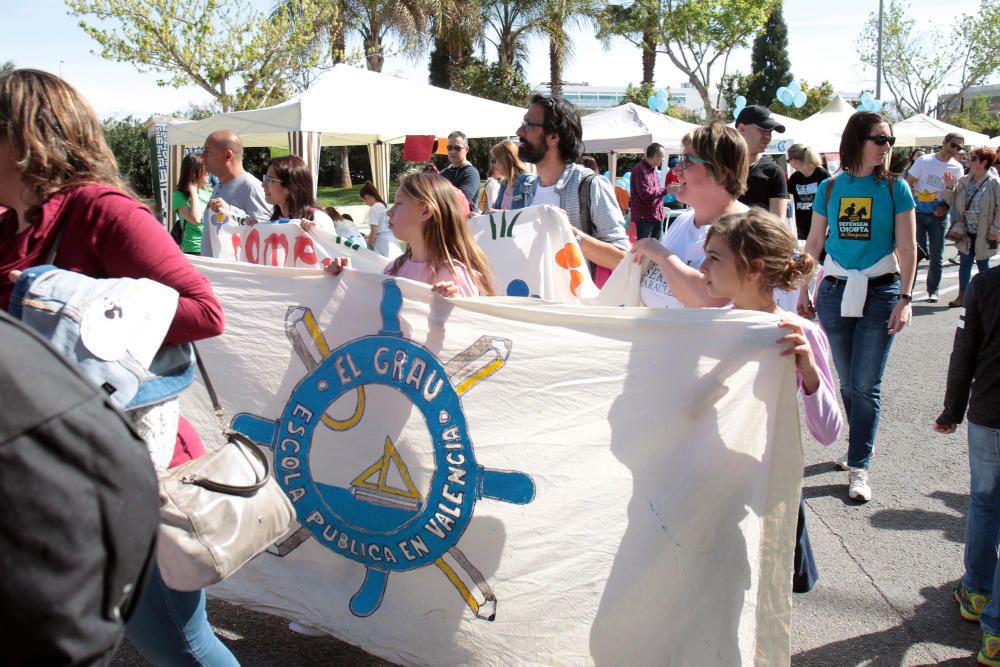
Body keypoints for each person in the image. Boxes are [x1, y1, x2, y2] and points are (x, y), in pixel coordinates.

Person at [0, 69, 235, 665]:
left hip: (129, 458)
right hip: (42, 466)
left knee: (175, 643)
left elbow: (205, 312)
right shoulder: (10, 225)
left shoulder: (100, 211)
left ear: (25, 138)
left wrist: (79, 314)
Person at [700, 208, 843, 593]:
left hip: (765, 490)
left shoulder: (798, 333)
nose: (702, 266)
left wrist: (809, 371)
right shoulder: (703, 329)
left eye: (714, 257)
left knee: (761, 593)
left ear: (754, 267)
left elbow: (829, 433)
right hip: (707, 487)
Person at [798, 111, 917, 503]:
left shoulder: (895, 189)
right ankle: (856, 447)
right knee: (848, 382)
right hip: (834, 291)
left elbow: (907, 248)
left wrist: (905, 299)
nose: (886, 147)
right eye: (879, 139)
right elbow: (813, 244)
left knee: (866, 385)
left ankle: (859, 464)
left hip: (881, 292)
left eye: (890, 141)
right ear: (856, 141)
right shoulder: (830, 189)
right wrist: (803, 286)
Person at [933, 265, 1000, 667]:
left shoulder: (986, 284)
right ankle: (995, 637)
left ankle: (976, 592)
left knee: (984, 501)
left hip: (989, 414)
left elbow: (965, 351)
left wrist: (952, 410)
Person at [629, 121, 748, 309]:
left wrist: (662, 255)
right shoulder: (683, 221)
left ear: (721, 173)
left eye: (687, 161)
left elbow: (708, 300)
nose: (676, 170)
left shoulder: (744, 231)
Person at [328, 172, 495, 297]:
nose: (389, 212)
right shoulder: (394, 268)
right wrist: (343, 279)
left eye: (399, 203)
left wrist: (455, 305)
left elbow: (469, 332)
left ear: (426, 211)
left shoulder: (455, 274)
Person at [516, 94, 630, 272]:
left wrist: (568, 232)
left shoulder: (590, 186)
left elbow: (622, 259)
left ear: (553, 136)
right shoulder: (530, 190)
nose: (519, 132)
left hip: (579, 299)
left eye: (528, 125)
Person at [905, 132, 965, 301]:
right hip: (918, 212)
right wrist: (912, 199)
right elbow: (908, 182)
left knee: (937, 255)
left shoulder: (957, 167)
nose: (956, 150)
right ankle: (907, 291)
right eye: (953, 145)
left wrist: (945, 206)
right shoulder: (925, 161)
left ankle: (933, 290)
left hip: (939, 214)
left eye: (959, 148)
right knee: (915, 252)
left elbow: (956, 195)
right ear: (944, 142)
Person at [939, 147, 1000, 307]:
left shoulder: (994, 182)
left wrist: (995, 230)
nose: (969, 161)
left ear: (984, 162)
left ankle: (987, 297)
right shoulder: (964, 180)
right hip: (965, 231)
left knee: (983, 265)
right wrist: (949, 187)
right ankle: (962, 296)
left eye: (973, 158)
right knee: (965, 264)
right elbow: (952, 202)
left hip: (985, 232)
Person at [199, 129, 271, 257]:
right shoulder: (219, 185)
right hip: (213, 273)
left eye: (208, 152)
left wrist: (230, 211)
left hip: (233, 274)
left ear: (228, 155)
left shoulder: (251, 187)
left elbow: (265, 232)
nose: (202, 156)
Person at [735, 104, 789, 218]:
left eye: (770, 131)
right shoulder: (720, 168)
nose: (768, 136)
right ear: (742, 129)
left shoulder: (773, 172)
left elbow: (777, 225)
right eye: (763, 129)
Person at [787, 144, 831, 241]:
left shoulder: (821, 174)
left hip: (821, 226)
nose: (789, 163)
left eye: (788, 160)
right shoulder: (795, 177)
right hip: (802, 228)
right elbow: (785, 195)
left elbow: (830, 201)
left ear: (794, 160)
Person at [172, 152, 212, 255]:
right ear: (194, 173)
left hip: (212, 247)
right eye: (205, 169)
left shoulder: (209, 192)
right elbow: (196, 219)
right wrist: (193, 192)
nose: (208, 172)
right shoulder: (179, 196)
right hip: (193, 249)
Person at [630, 142, 671, 240]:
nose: (663, 160)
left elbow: (654, 191)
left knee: (658, 248)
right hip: (645, 217)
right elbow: (645, 194)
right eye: (662, 157)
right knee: (644, 250)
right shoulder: (639, 170)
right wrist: (666, 190)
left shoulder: (652, 170)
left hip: (655, 215)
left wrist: (667, 189)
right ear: (656, 156)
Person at [440, 131, 481, 212]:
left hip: (465, 223)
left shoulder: (471, 173)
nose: (453, 151)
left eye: (457, 148)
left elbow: (460, 202)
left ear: (466, 149)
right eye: (449, 148)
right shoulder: (443, 173)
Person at [489, 139, 535, 211]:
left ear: (505, 161)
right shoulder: (504, 184)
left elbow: (531, 214)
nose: (494, 165)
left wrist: (502, 213)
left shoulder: (528, 181)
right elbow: (495, 209)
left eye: (495, 161)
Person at [361, 180, 401, 260]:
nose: (365, 203)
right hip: (391, 238)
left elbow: (374, 230)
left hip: (382, 242)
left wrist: (369, 244)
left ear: (366, 197)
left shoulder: (374, 208)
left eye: (363, 200)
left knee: (383, 265)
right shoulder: (383, 205)